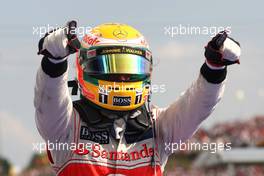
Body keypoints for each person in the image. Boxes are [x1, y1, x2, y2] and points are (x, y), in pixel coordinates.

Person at [34, 21, 241, 176]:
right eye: (112, 67)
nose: (124, 77)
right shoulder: (68, 125)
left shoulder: (159, 126)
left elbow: (198, 106)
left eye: (133, 68)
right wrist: (54, 61)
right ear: (85, 68)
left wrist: (215, 68)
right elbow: (48, 100)